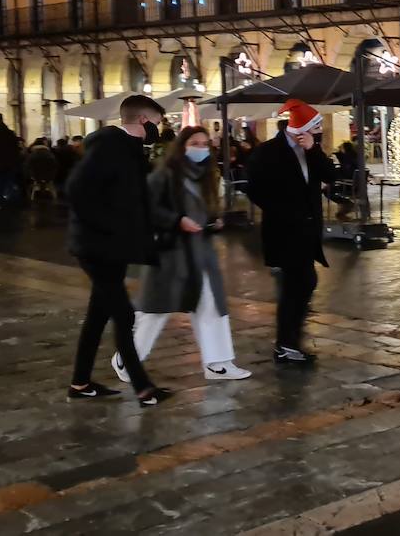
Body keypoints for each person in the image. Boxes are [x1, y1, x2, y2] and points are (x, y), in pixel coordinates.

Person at [115, 125, 251, 382]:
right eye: (195, 143)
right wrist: (177, 220)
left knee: (211, 305)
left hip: (200, 253)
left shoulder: (206, 176)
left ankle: (218, 363)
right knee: (155, 311)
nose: (201, 148)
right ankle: (126, 359)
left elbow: (205, 211)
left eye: (204, 144)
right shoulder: (165, 174)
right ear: (182, 146)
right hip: (171, 254)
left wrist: (215, 221)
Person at [65, 94, 173, 407]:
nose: (158, 128)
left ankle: (80, 383)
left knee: (98, 315)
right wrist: (106, 229)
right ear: (143, 120)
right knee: (123, 314)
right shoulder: (111, 146)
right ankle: (143, 389)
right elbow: (75, 189)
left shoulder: (129, 151)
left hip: (109, 247)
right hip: (97, 247)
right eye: (156, 122)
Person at [246, 100, 335, 366]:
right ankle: (287, 343)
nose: (319, 131)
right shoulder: (268, 152)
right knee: (298, 284)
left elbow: (330, 174)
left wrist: (313, 150)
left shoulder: (311, 150)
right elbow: (256, 189)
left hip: (308, 231)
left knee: (302, 283)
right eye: (315, 126)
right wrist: (285, 210)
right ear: (301, 127)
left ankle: (289, 341)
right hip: (284, 231)